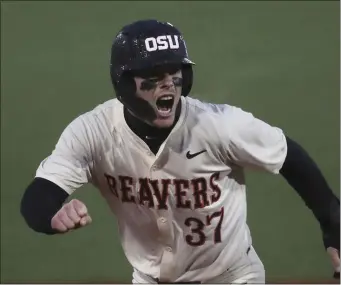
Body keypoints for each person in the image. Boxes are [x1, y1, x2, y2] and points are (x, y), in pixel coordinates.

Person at [20, 19, 340, 284]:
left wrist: (333, 225)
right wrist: (51, 215)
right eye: (153, 78)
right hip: (148, 279)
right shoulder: (93, 132)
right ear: (124, 84)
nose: (169, 86)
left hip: (232, 277)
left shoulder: (218, 125)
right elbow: (40, 194)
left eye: (175, 75)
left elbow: (288, 156)